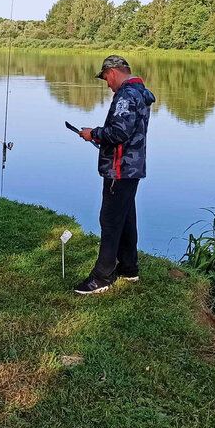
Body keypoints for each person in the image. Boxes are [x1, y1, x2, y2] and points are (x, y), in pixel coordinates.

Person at [74, 55, 155, 295]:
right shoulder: (140, 92)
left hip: (119, 169)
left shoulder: (126, 95)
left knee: (110, 220)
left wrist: (93, 134)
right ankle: (129, 268)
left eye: (106, 78)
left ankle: (102, 277)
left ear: (113, 72)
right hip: (132, 166)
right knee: (126, 217)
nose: (107, 84)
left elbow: (119, 132)